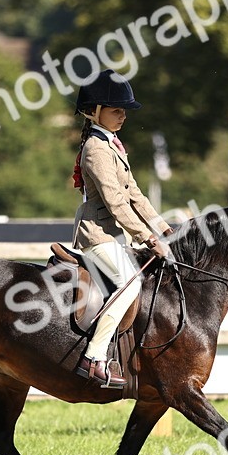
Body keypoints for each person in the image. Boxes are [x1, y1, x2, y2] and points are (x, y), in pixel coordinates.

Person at [70, 70, 172, 388]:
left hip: (115, 233)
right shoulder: (96, 149)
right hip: (97, 234)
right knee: (129, 286)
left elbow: (135, 195)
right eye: (117, 110)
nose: (123, 116)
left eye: (124, 111)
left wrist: (164, 228)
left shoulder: (112, 144)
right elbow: (116, 203)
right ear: (95, 111)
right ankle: (94, 357)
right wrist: (147, 237)